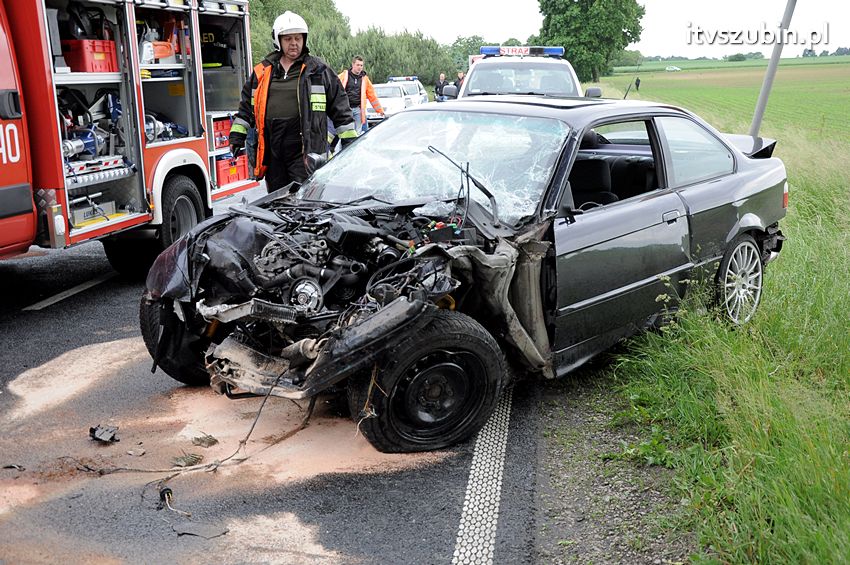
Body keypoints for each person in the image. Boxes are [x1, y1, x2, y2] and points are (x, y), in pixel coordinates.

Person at [228, 11, 357, 193]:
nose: (294, 43)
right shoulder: (262, 72)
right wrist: (237, 135)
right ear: (278, 40)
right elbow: (246, 109)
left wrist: (350, 141)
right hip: (273, 149)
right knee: (277, 200)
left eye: (298, 38)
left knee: (305, 200)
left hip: (305, 148)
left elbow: (340, 107)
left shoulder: (318, 71)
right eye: (288, 39)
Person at [338, 56, 384, 133]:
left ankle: (355, 145)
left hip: (358, 109)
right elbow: (333, 88)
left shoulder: (365, 79)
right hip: (345, 109)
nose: (359, 67)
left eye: (361, 65)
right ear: (353, 65)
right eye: (358, 65)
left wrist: (379, 110)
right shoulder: (344, 76)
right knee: (344, 131)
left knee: (358, 133)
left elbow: (372, 96)